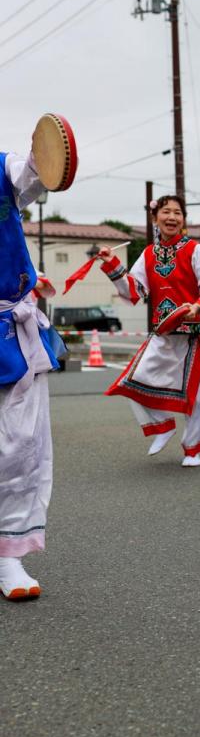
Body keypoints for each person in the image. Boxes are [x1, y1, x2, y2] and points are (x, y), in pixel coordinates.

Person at [99, 195, 200, 467]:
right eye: (166, 212)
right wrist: (112, 264)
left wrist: (199, 306)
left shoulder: (195, 249)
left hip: (197, 332)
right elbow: (134, 291)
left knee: (198, 395)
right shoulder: (148, 254)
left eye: (178, 213)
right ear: (155, 218)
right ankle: (162, 425)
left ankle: (193, 449)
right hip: (164, 331)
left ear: (183, 220)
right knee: (134, 379)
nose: (172, 217)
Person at [0, 146, 66, 600]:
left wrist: (48, 149)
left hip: (10, 329)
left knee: (20, 445)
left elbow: (35, 176)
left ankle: (8, 555)